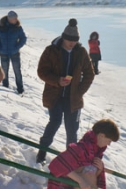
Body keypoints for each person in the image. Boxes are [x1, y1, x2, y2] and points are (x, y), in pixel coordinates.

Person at [36, 19, 95, 164]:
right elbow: (42, 71)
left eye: (74, 41)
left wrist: (79, 91)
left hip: (73, 99)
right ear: (63, 38)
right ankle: (41, 152)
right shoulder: (51, 50)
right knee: (54, 123)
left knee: (72, 129)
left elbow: (89, 73)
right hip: (55, 96)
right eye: (69, 40)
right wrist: (57, 80)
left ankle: (71, 160)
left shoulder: (81, 52)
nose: (71, 43)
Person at [0, 10, 27, 94]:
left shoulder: (18, 27)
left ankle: (20, 89)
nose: (15, 20)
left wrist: (17, 47)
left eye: (16, 18)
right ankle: (5, 87)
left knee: (17, 71)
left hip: (15, 53)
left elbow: (23, 39)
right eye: (13, 18)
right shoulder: (0, 26)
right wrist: (0, 48)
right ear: (9, 18)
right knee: (4, 71)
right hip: (3, 53)